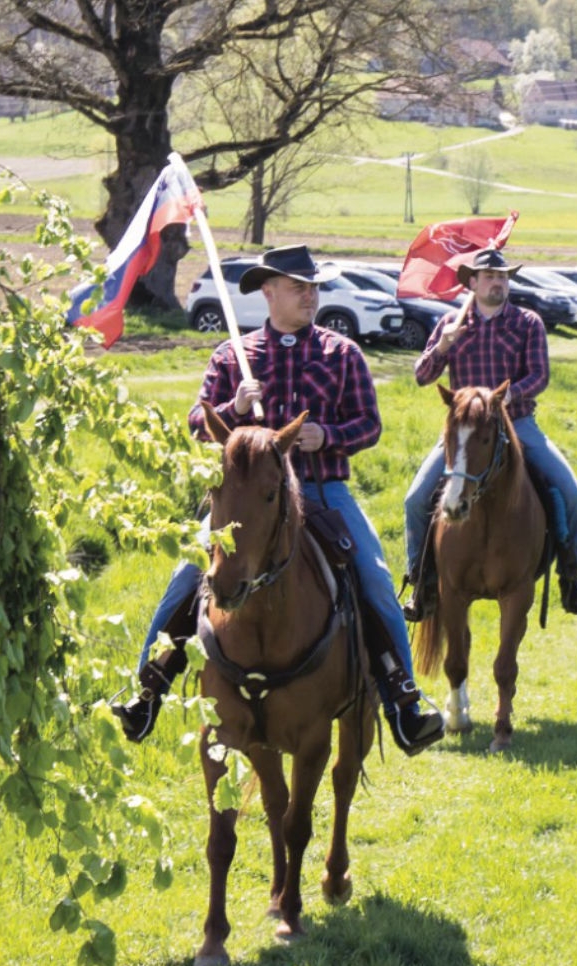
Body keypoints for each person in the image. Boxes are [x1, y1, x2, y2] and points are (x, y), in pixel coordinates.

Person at [110, 244, 446, 755]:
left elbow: (369, 424)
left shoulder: (342, 353)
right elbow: (197, 425)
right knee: (184, 578)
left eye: (314, 287)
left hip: (322, 491)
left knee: (375, 576)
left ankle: (404, 699)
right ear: (269, 292)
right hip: (244, 503)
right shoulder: (232, 357)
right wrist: (234, 405)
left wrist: (326, 436)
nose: (310, 296)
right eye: (298, 287)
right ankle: (146, 690)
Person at [400, 247, 577, 622]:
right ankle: (421, 583)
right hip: (465, 431)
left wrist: (509, 395)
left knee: (572, 494)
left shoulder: (527, 323)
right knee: (415, 499)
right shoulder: (451, 323)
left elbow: (539, 375)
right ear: (472, 283)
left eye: (503, 277)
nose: (498, 282)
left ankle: (571, 578)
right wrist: (443, 345)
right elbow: (422, 376)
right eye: (490, 277)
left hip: (517, 423)